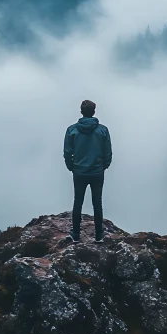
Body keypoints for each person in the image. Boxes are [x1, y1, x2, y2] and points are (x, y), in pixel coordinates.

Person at [63, 100, 112, 243]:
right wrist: (104, 166)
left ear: (81, 112)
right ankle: (98, 235)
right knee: (97, 202)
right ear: (94, 111)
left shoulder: (72, 130)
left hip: (79, 171)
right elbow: (107, 152)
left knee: (78, 201)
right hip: (97, 172)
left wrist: (71, 166)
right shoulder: (103, 130)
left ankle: (76, 234)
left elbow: (67, 152)